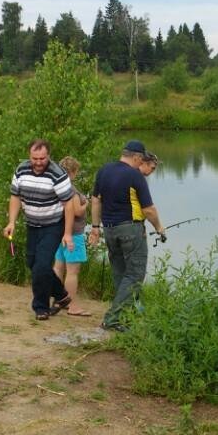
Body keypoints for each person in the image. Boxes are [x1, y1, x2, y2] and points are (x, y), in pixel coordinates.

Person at [89, 139, 166, 331]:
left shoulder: (104, 170)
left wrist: (96, 227)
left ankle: (126, 316)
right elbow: (148, 210)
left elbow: (96, 201)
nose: (142, 163)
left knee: (121, 274)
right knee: (135, 274)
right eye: (142, 159)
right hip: (131, 229)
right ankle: (112, 319)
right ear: (137, 157)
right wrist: (159, 228)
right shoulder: (134, 175)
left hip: (109, 229)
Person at [4, 139, 75, 321]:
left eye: (42, 158)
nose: (38, 162)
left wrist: (67, 234)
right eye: (35, 158)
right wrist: (12, 221)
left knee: (42, 266)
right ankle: (61, 294)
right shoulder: (21, 170)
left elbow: (69, 205)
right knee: (32, 264)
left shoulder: (57, 174)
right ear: (30, 156)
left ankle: (41, 307)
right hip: (32, 224)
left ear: (48, 156)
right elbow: (15, 197)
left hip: (53, 225)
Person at [53, 156, 90, 317]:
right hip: (73, 235)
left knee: (58, 267)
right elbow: (76, 212)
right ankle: (72, 306)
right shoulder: (72, 191)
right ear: (73, 172)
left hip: (58, 234)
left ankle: (56, 300)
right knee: (72, 271)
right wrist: (86, 204)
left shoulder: (56, 187)